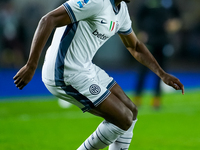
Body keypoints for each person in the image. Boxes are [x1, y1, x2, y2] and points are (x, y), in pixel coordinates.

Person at [13, 0, 184, 149]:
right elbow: (48, 19)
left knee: (131, 114)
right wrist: (31, 65)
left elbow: (135, 47)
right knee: (122, 119)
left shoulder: (121, 10)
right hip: (64, 71)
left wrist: (162, 74)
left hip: (85, 67)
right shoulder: (95, 1)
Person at [133, 0, 182, 108]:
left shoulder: (169, 2)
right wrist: (141, 31)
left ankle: (156, 100)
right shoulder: (147, 2)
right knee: (143, 71)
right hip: (148, 41)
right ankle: (137, 98)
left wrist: (175, 24)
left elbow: (178, 17)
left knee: (161, 72)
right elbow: (138, 17)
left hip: (163, 40)